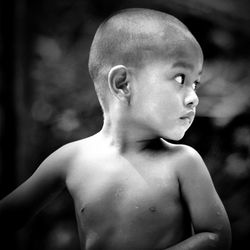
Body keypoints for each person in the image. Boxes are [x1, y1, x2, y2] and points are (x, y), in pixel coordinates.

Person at [0, 8, 231, 250]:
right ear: (123, 84)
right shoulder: (72, 159)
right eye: (180, 79)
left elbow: (217, 236)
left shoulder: (183, 162)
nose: (194, 97)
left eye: (195, 83)